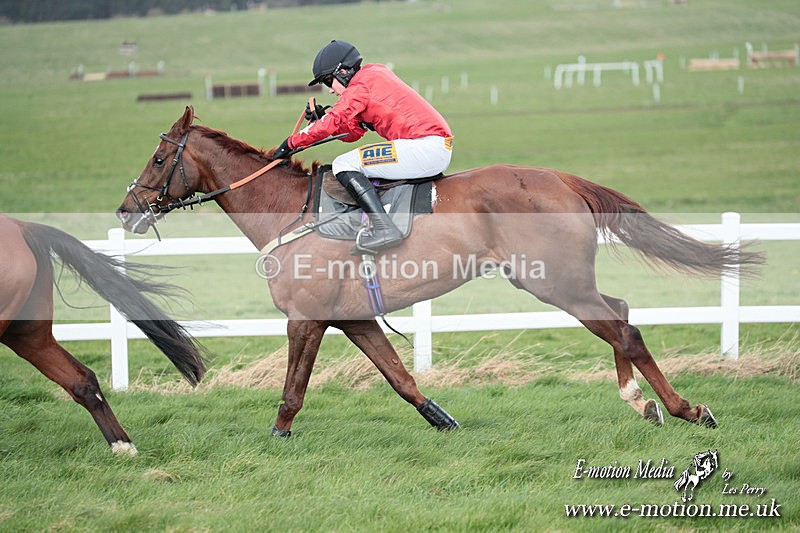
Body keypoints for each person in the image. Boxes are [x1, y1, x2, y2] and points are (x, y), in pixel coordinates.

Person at [274, 39, 453, 254]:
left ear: (343, 72)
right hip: (428, 145)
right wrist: (320, 119)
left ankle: (384, 228)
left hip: (424, 146)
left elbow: (334, 121)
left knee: (343, 164)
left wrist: (292, 142)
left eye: (329, 82)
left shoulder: (362, 84)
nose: (330, 91)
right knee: (349, 161)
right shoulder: (372, 76)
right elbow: (352, 133)